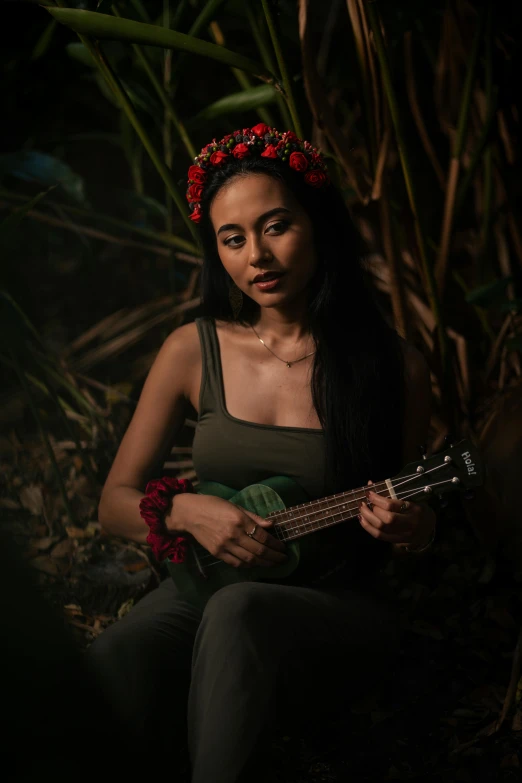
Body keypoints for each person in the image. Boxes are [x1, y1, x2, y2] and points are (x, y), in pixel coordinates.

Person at [87, 124, 436, 782]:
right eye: (234, 238)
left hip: (331, 601)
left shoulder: (392, 368)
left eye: (276, 226)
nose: (258, 257)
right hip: (205, 581)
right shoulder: (192, 350)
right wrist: (189, 511)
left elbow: (411, 522)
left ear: (317, 223)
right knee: (115, 658)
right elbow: (114, 503)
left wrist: (413, 526)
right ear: (216, 249)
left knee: (238, 610)